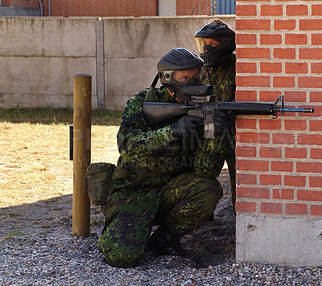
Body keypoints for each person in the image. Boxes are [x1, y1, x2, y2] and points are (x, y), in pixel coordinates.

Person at [97, 48, 233, 268]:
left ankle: (165, 238)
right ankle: (123, 225)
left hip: (171, 191)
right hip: (133, 192)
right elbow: (128, 147)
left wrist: (215, 136)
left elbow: (206, 171)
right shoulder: (143, 102)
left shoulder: (205, 108)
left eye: (197, 75)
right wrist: (172, 132)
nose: (194, 81)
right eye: (186, 78)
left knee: (208, 188)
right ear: (168, 79)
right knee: (122, 257)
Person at [194, 20, 237, 206]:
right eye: (205, 43)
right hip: (209, 129)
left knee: (239, 176)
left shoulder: (239, 67)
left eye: (213, 44)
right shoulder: (199, 69)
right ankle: (204, 210)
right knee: (203, 171)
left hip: (235, 132)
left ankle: (238, 211)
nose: (207, 48)